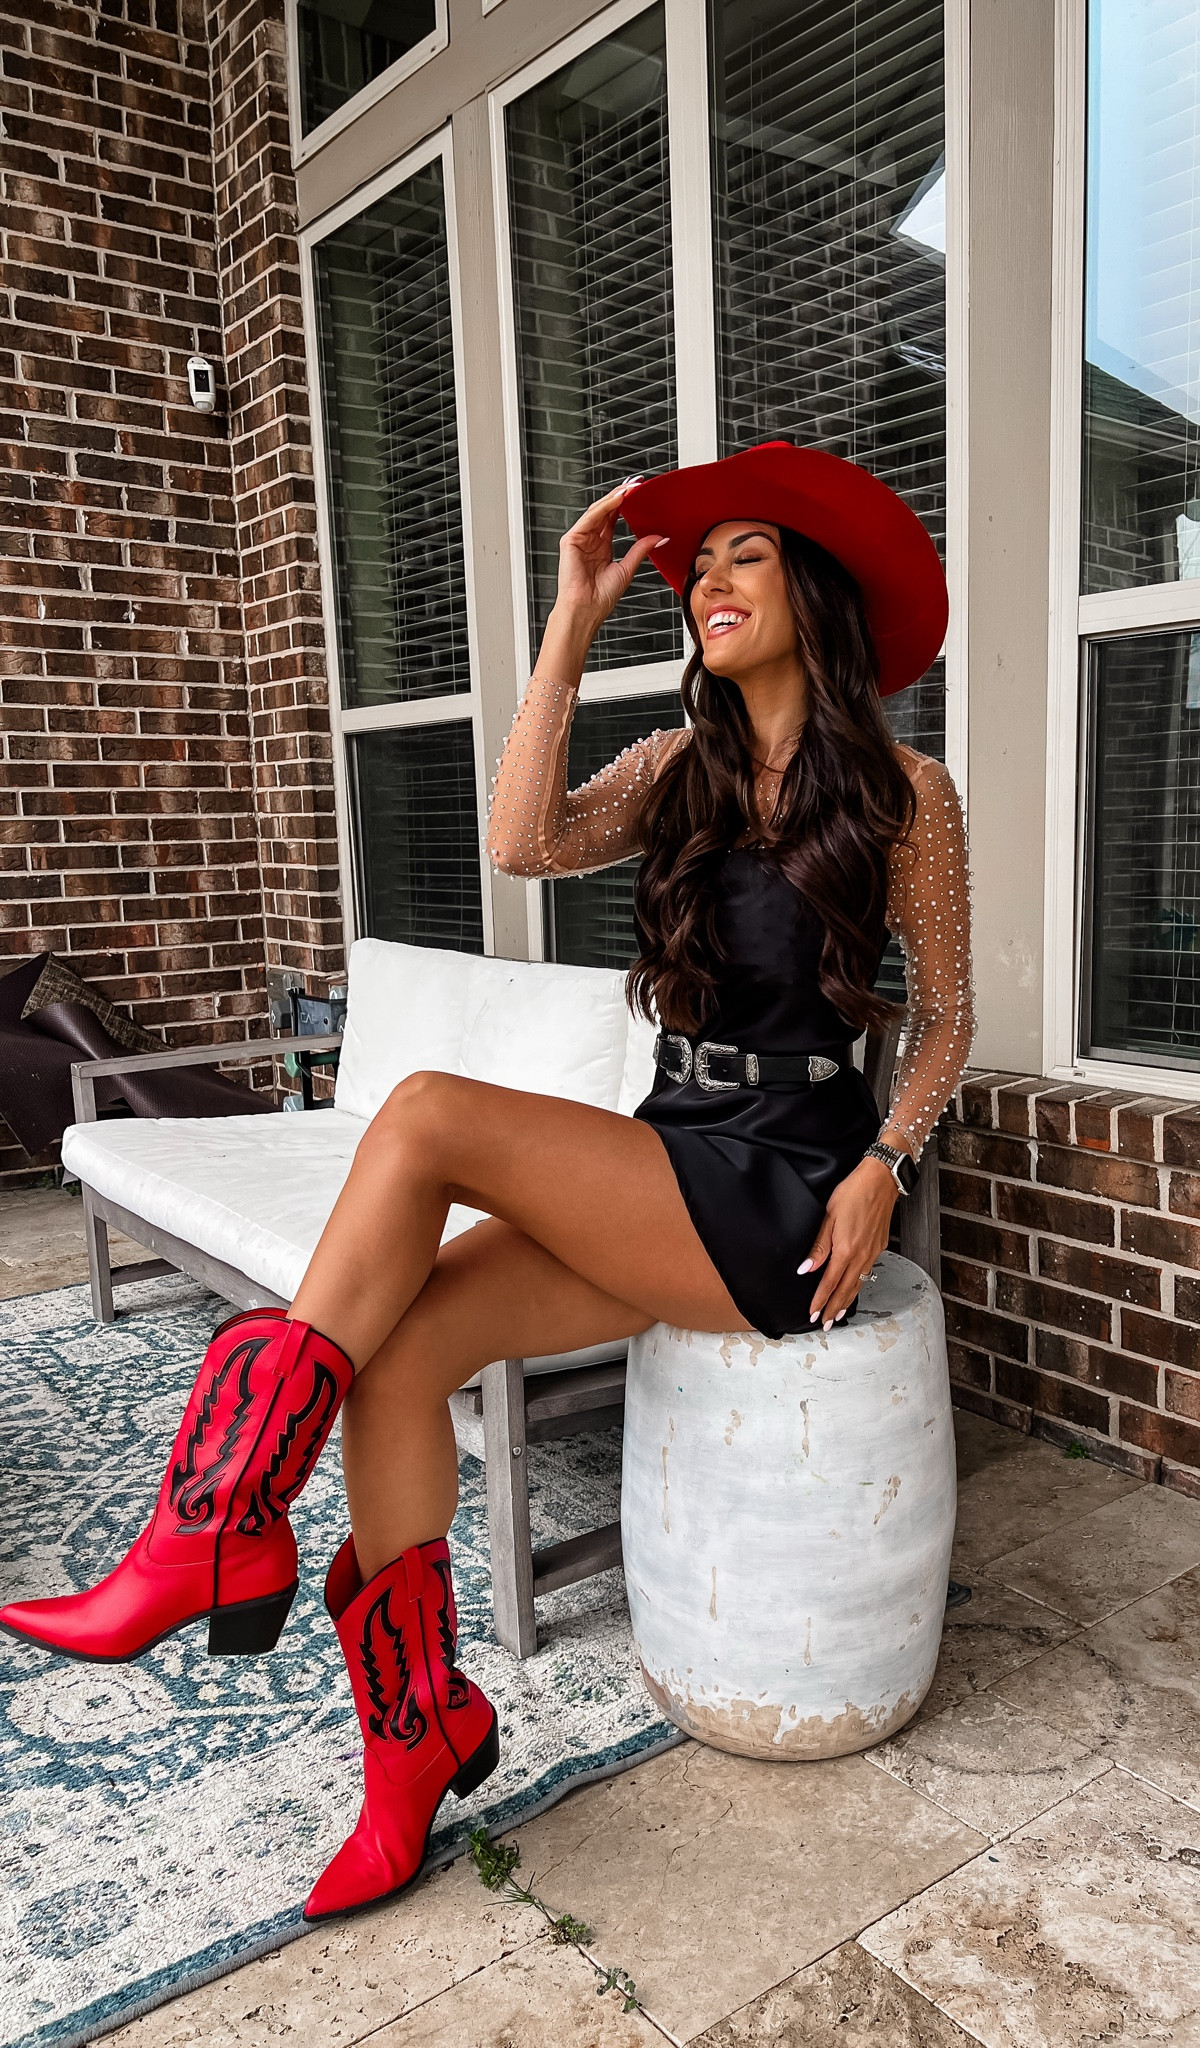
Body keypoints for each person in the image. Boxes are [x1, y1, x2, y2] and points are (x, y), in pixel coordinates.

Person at [0, 442, 975, 1922]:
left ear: (816, 593)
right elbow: (522, 841)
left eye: (748, 554)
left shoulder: (907, 792)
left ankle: (211, 1526)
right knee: (398, 1360)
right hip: (676, 1147)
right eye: (698, 564)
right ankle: (418, 1743)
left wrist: (884, 1167)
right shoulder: (680, 771)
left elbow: (948, 1016)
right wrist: (571, 620)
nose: (709, 581)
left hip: (786, 1183)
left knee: (430, 1115)